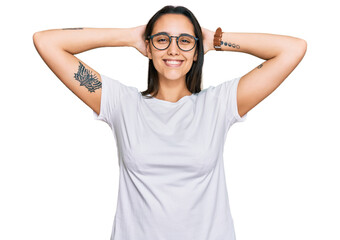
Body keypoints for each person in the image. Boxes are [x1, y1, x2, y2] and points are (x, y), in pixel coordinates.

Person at [33, 5, 307, 240]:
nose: (173, 49)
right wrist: (130, 37)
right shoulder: (121, 103)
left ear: (197, 50)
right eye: (162, 39)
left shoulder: (219, 104)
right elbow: (46, 42)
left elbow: (292, 49)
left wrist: (215, 39)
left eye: (185, 41)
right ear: (149, 47)